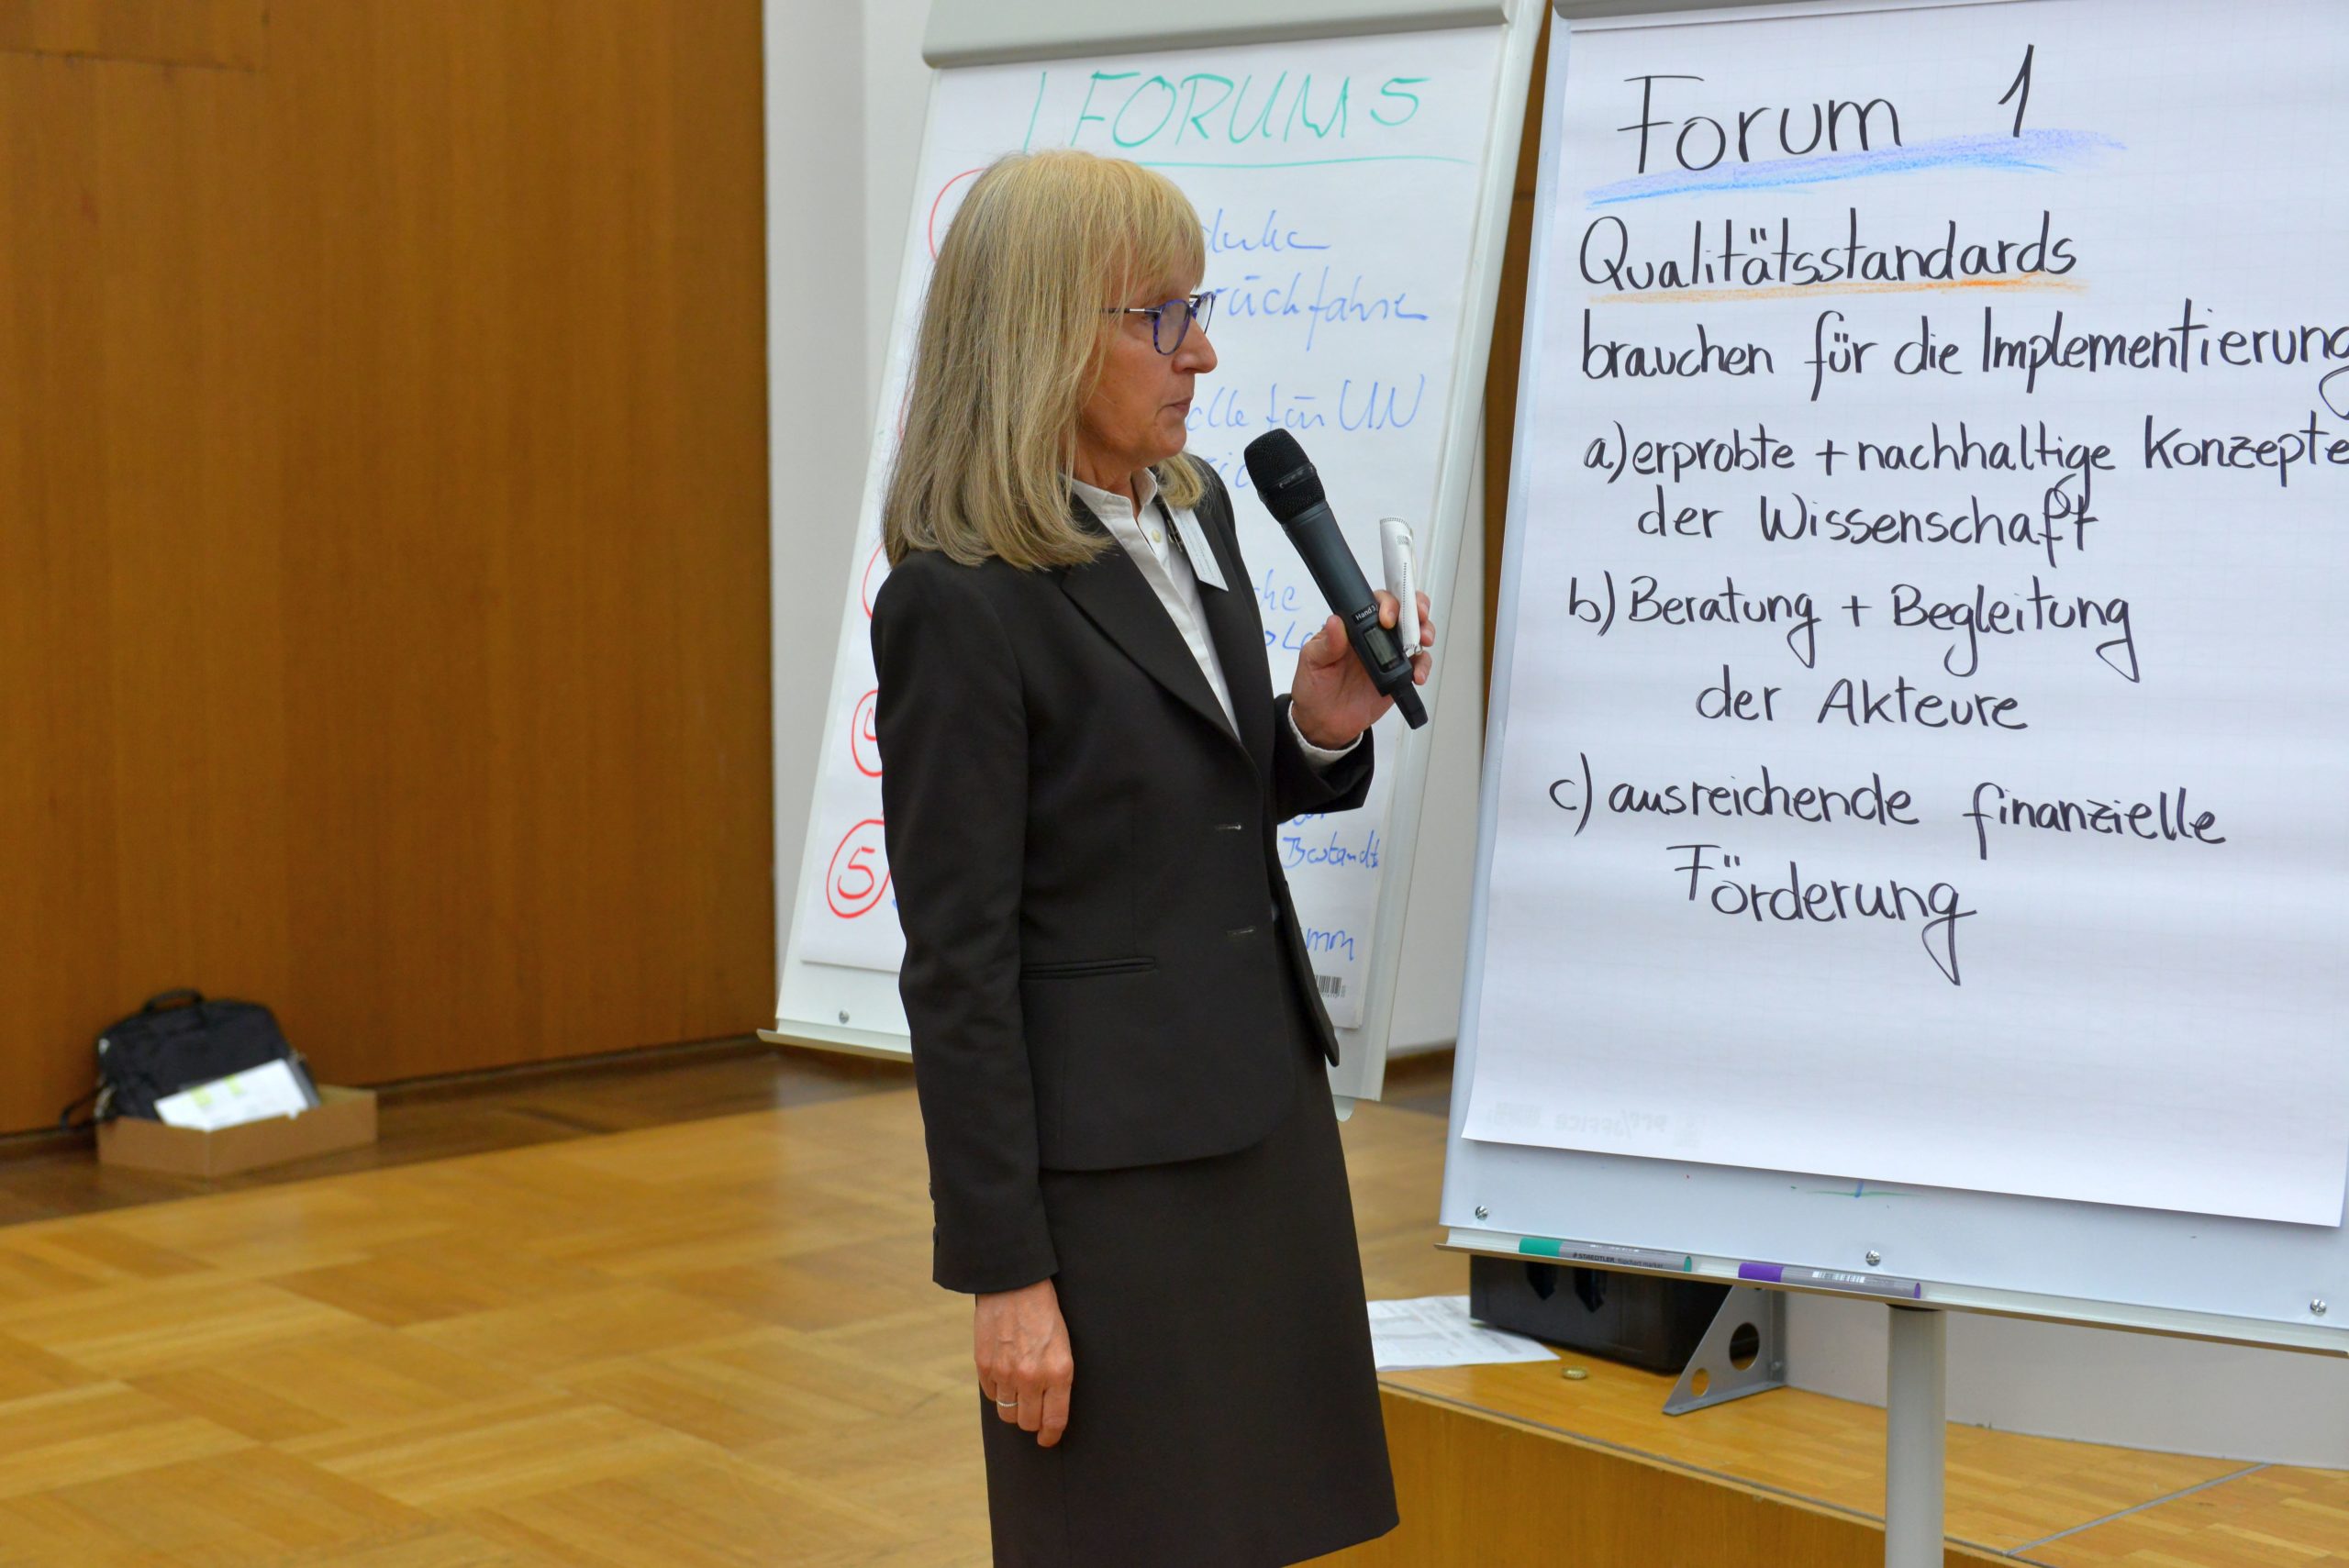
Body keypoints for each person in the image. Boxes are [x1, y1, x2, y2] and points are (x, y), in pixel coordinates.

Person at [871, 148, 1433, 1568]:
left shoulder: (1196, 509)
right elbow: (958, 965)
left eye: (1200, 307)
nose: (1202, 353)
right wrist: (1005, 1271)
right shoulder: (959, 602)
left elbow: (1195, 804)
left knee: (1270, 1528)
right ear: (1044, 333)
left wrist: (1312, 727)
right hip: (1112, 1180)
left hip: (1261, 1119)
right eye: (1160, 317)